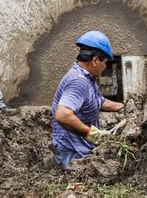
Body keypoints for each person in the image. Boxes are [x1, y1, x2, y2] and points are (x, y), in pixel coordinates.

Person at [51, 30, 125, 169]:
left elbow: (99, 101)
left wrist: (122, 106)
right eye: (105, 63)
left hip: (80, 151)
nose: (105, 68)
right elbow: (63, 115)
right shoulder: (79, 81)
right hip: (72, 157)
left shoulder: (88, 78)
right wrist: (93, 135)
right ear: (95, 60)